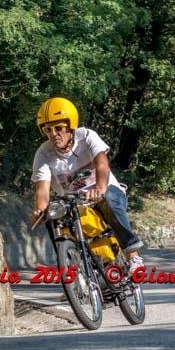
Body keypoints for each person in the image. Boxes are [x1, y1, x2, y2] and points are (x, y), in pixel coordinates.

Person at [30, 96, 145, 275]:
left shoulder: (87, 136)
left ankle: (132, 255)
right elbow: (42, 188)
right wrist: (40, 210)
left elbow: (102, 164)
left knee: (109, 198)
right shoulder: (43, 154)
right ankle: (73, 272)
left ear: (70, 126)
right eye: (48, 130)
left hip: (105, 191)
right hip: (74, 202)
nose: (53, 134)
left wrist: (100, 188)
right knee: (51, 217)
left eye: (58, 128)